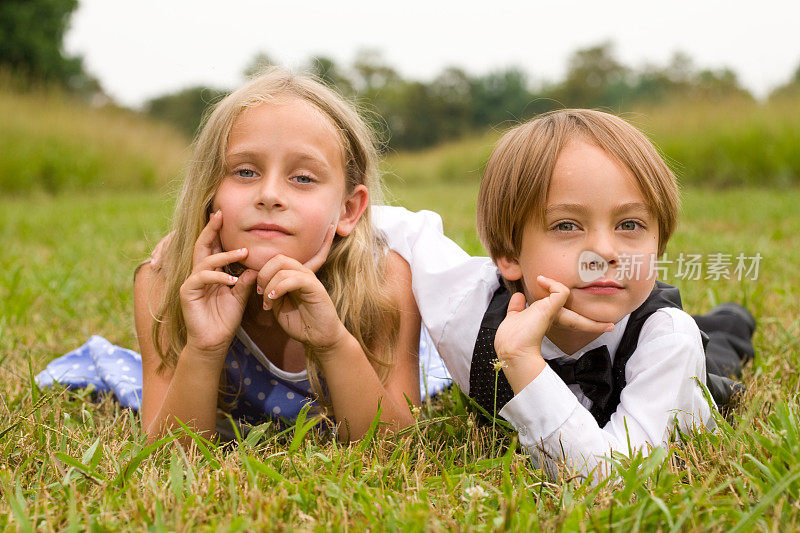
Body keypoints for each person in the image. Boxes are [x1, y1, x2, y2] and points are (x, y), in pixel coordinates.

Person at [375, 109, 754, 479]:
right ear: (508, 255)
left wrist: (521, 360)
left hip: (675, 363)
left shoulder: (668, 341)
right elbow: (398, 227)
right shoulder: (465, 313)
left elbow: (615, 477)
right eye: (567, 225)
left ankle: (730, 322)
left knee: (717, 351)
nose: (605, 251)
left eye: (630, 224)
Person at [134, 67, 423, 444]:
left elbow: (396, 450)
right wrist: (203, 349)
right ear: (209, 192)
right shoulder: (163, 281)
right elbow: (166, 456)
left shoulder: (385, 279)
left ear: (349, 210)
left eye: (303, 178)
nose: (269, 194)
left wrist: (334, 342)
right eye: (245, 172)